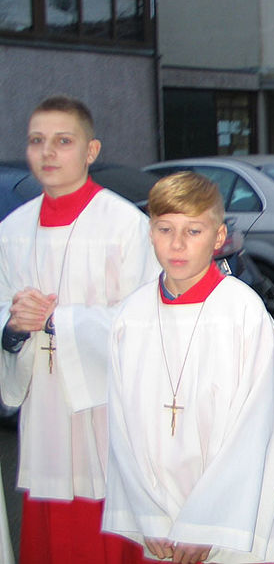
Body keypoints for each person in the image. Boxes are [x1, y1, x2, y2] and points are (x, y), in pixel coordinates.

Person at [0, 95, 158, 563]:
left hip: (105, 413)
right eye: (37, 141)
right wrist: (13, 329)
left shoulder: (126, 226)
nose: (47, 153)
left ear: (90, 151)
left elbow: (145, 325)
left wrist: (58, 320)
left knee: (105, 532)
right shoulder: (11, 230)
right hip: (44, 414)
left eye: (62, 141)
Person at [103, 172, 274, 563]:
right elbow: (120, 425)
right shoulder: (130, 318)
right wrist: (145, 515)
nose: (177, 244)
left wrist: (208, 524)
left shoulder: (244, 314)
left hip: (227, 522)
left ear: (219, 237)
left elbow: (254, 428)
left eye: (194, 231)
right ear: (149, 232)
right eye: (165, 229)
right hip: (157, 519)